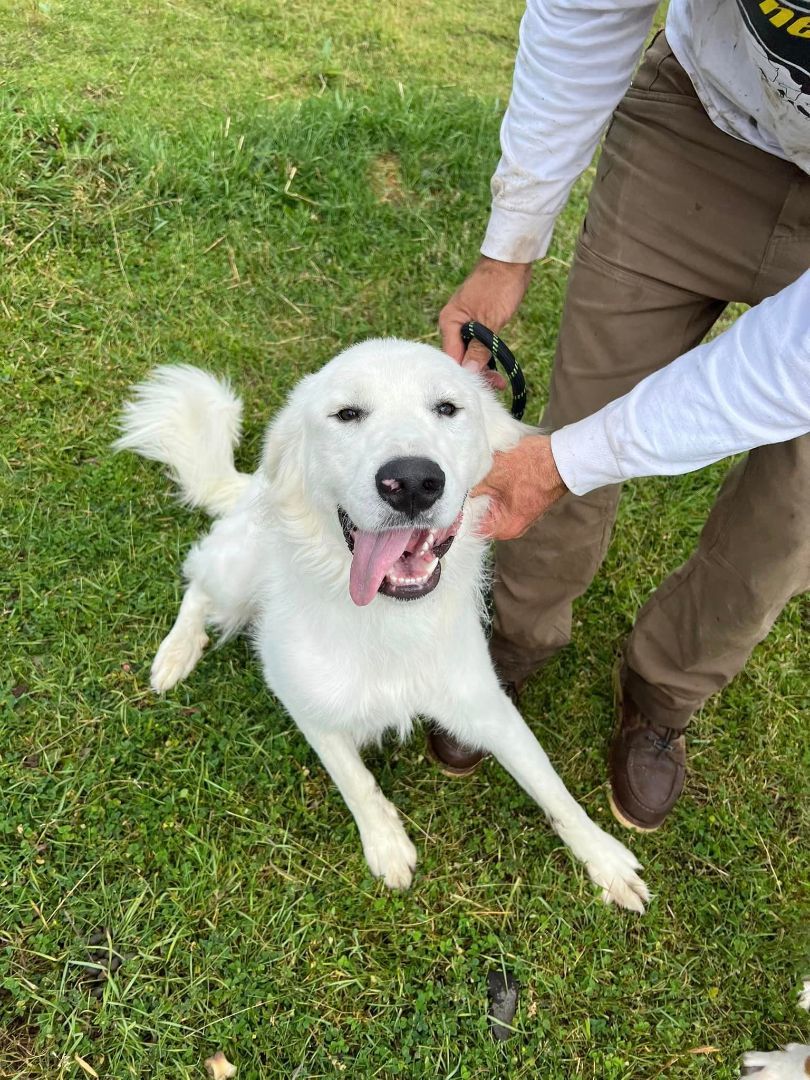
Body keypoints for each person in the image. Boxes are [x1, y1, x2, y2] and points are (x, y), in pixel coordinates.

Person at [433, 0, 810, 832]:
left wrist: (572, 461)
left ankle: (664, 692)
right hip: (703, 126)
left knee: (792, 515)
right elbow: (587, 9)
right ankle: (513, 636)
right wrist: (508, 249)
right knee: (587, 400)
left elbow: (793, 365)